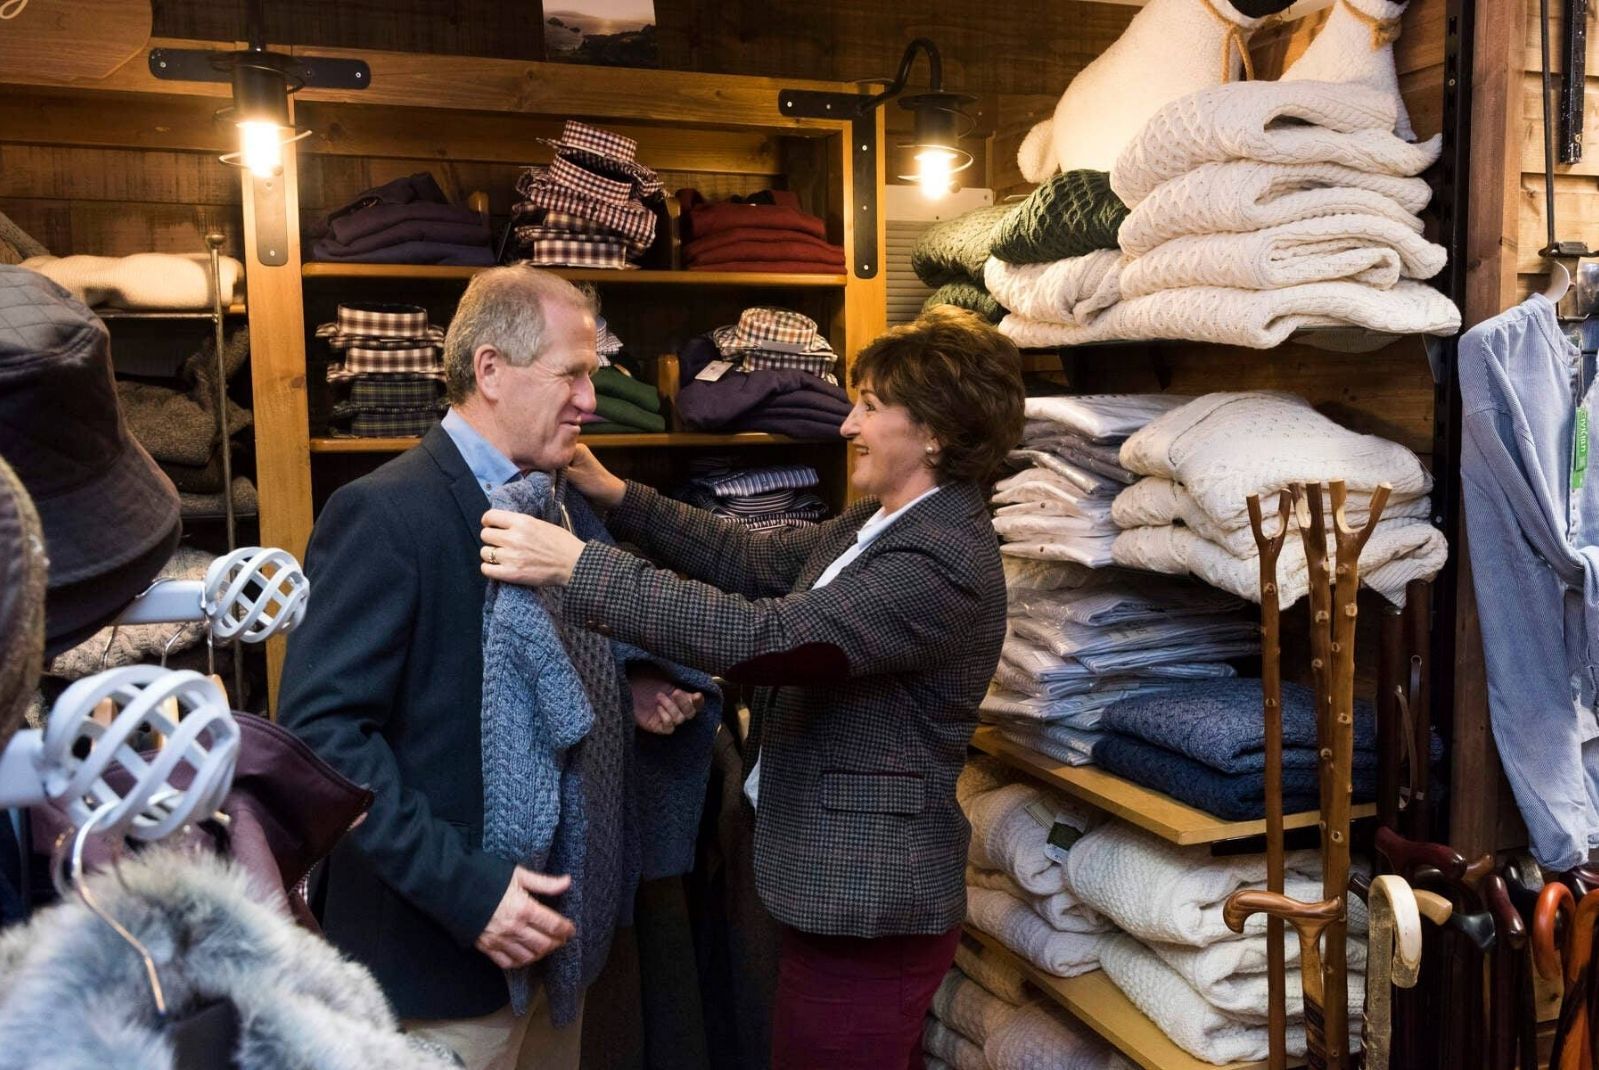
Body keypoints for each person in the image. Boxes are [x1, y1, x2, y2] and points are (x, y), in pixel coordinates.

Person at [479, 306, 1026, 1068]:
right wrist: (617, 496)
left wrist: (578, 568)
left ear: (934, 430)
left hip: (869, 909)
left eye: (869, 406)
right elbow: (755, 558)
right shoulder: (882, 523)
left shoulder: (939, 564)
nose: (846, 425)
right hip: (824, 883)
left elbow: (767, 639)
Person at [278, 267, 711, 1070]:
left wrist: (630, 681)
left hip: (555, 957)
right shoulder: (385, 511)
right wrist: (468, 892)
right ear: (489, 370)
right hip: (433, 967)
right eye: (573, 373)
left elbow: (557, 663)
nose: (591, 399)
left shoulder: (560, 503)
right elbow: (324, 738)